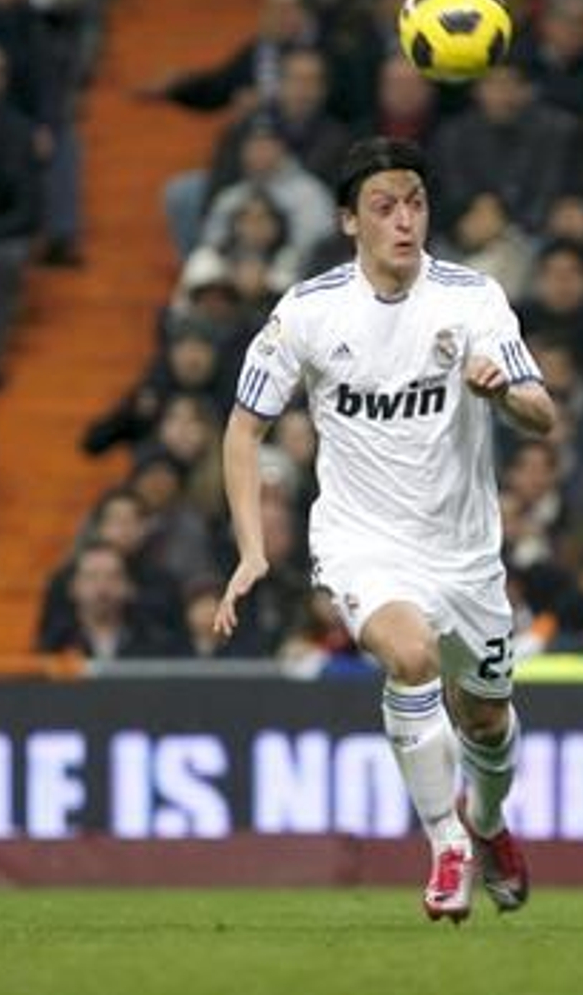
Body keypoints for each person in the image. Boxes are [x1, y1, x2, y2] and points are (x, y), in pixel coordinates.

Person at [213, 137, 556, 924]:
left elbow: (544, 414)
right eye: (384, 206)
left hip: (465, 550)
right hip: (363, 539)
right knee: (409, 656)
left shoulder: (473, 299)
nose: (405, 221)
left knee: (487, 721)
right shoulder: (308, 311)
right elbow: (242, 430)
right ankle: (446, 843)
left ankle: (489, 821)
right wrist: (252, 549)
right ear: (348, 221)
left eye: (415, 203)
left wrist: (505, 392)